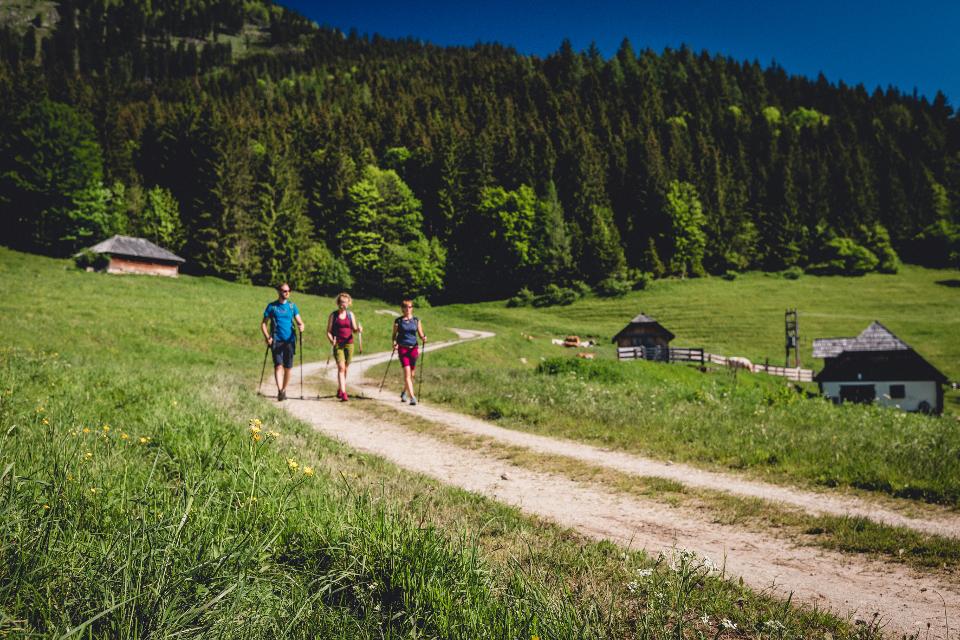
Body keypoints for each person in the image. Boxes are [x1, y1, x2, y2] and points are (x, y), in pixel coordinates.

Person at [261, 283, 305, 401]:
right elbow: (264, 324)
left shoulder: (292, 306)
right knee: (278, 366)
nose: (287, 293)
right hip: (276, 340)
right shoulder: (272, 307)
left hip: (290, 341)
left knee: (288, 368)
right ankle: (280, 390)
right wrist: (267, 337)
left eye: (288, 291)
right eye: (284, 291)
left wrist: (301, 326)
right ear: (279, 292)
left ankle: (284, 389)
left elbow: (300, 321)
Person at [326, 292, 362, 401]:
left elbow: (354, 330)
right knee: (341, 368)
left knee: (345, 368)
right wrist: (332, 340)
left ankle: (340, 389)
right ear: (338, 303)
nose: (343, 304)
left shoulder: (351, 315)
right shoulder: (333, 315)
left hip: (349, 344)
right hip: (338, 345)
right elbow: (328, 331)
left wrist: (358, 330)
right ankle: (344, 393)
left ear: (349, 303)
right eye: (342, 302)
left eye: (346, 302)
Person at [392, 299, 426, 406]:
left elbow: (420, 334)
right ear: (402, 308)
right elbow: (394, 335)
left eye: (410, 307)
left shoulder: (416, 320)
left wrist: (424, 338)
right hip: (403, 349)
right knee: (407, 374)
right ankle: (412, 397)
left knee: (411, 374)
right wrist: (394, 343)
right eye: (406, 307)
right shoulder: (398, 321)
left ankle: (403, 392)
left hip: (414, 349)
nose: (408, 309)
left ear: (412, 308)